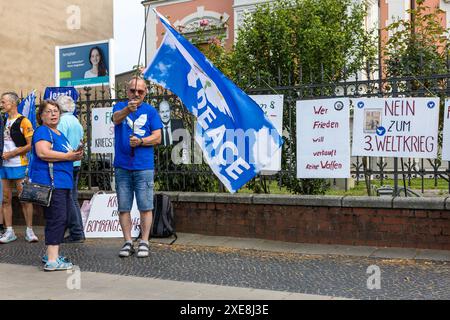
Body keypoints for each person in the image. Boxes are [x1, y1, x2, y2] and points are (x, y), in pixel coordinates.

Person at [112, 77, 162, 258]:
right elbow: (116, 119)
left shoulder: (151, 111)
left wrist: (141, 141)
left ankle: (145, 241)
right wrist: (128, 109)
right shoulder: (119, 107)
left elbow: (158, 137)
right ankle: (127, 241)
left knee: (145, 206)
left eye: (140, 91)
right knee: (123, 207)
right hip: (122, 166)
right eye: (133, 91)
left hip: (143, 166)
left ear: (146, 92)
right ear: (127, 91)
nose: (136, 94)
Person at [32, 100, 83, 271]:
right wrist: (69, 157)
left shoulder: (59, 133)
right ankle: (52, 261)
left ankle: (50, 254)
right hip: (52, 183)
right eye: (49, 111)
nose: (53, 114)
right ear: (41, 116)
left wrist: (74, 155)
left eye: (56, 111)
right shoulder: (42, 131)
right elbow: (42, 152)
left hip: (63, 182)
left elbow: (64, 154)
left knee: (62, 218)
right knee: (58, 218)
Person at [0, 92, 37, 244]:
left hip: (19, 164)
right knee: (5, 199)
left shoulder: (24, 121)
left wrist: (13, 153)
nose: (1, 104)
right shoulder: (2, 120)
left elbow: (30, 145)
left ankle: (29, 230)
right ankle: (9, 231)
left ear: (13, 103)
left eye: (3, 102)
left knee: (25, 199)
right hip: (3, 165)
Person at [56, 95, 85, 243]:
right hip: (76, 163)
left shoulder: (61, 122)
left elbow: (59, 144)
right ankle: (78, 231)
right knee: (72, 197)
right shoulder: (76, 122)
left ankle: (77, 232)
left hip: (65, 163)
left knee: (69, 199)